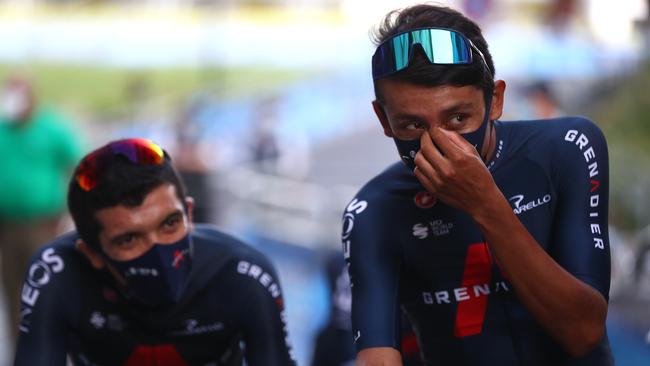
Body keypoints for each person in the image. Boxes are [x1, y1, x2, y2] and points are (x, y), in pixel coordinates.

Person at [343, 4, 613, 365]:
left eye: (457, 118)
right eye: (411, 125)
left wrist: (485, 204)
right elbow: (377, 357)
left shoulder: (567, 147)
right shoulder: (372, 210)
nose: (438, 143)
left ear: (495, 101)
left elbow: (584, 333)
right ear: (383, 119)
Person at [14, 138, 295, 365]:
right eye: (129, 240)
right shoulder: (57, 272)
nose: (158, 251)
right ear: (91, 254)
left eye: (170, 224)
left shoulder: (242, 272)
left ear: (190, 214)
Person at [0, 75, 82, 348]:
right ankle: (19, 346)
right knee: (13, 289)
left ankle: (48, 346)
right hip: (6, 225)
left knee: (43, 285)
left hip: (41, 223)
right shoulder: (3, 129)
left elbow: (76, 164)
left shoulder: (51, 129)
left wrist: (70, 208)